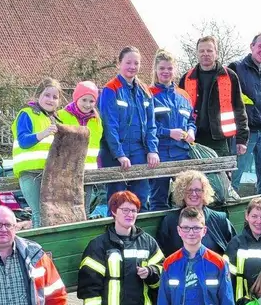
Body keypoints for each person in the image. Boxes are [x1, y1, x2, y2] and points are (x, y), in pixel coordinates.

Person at [98, 46, 160, 209]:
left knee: (140, 199)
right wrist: (119, 154)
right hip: (115, 154)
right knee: (117, 201)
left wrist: (152, 150)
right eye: (128, 62)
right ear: (119, 63)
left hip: (139, 151)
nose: (132, 67)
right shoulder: (110, 89)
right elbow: (109, 125)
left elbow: (151, 124)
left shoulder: (145, 91)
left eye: (136, 63)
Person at [11, 79, 74, 222]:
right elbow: (24, 141)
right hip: (30, 172)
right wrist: (43, 134)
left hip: (50, 173)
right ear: (38, 95)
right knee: (39, 213)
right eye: (47, 95)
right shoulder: (26, 114)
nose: (50, 100)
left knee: (52, 214)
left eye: (55, 97)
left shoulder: (56, 120)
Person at [179, 34, 247, 159]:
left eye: (209, 50)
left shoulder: (229, 76)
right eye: (202, 51)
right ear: (197, 53)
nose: (205, 54)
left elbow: (239, 109)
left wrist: (241, 139)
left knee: (220, 177)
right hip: (193, 138)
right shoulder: (186, 78)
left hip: (220, 139)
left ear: (216, 53)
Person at [149, 50, 196, 210]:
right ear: (155, 70)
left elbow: (191, 120)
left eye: (169, 68)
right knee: (158, 201)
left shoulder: (183, 95)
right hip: (159, 155)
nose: (165, 72)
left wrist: (191, 131)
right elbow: (146, 127)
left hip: (182, 155)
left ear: (174, 70)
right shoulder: (148, 94)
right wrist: (169, 133)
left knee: (185, 199)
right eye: (162, 68)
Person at [233, 33, 261, 195]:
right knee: (234, 177)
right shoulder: (236, 68)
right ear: (252, 46)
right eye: (260, 46)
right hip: (245, 132)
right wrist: (238, 134)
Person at [154, 168, 235, 256]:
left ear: (205, 192)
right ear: (181, 193)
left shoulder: (220, 219)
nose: (193, 194)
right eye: (189, 190)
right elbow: (161, 254)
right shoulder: (169, 221)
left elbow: (234, 248)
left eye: (198, 190)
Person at [66, 80, 104, 212]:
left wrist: (98, 168)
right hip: (67, 171)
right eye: (84, 100)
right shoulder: (62, 115)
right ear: (76, 98)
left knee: (84, 209)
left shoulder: (96, 121)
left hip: (88, 172)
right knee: (67, 209)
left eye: (91, 101)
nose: (88, 105)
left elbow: (97, 148)